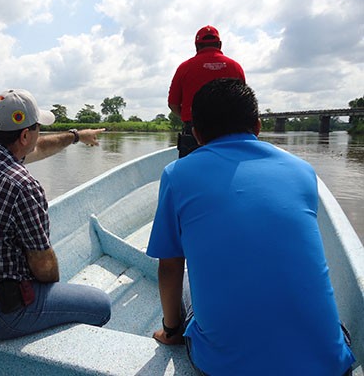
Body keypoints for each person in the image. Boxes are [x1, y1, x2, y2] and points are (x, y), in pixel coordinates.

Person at [147, 79, 355, 375]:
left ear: (196, 134)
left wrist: (171, 331)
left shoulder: (177, 174)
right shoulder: (303, 170)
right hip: (328, 367)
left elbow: (169, 266)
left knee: (190, 282)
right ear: (258, 126)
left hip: (223, 368)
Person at [0, 88, 111, 340]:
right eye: (37, 128)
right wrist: (50, 293)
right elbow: (43, 266)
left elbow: (38, 148)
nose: (39, 134)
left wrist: (76, 136)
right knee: (100, 306)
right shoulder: (22, 185)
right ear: (24, 135)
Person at [168, 25, 245, 157]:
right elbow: (244, 104)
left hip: (194, 131)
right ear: (219, 44)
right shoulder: (235, 67)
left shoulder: (184, 68)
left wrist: (188, 119)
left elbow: (173, 104)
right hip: (230, 133)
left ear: (196, 46)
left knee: (190, 174)